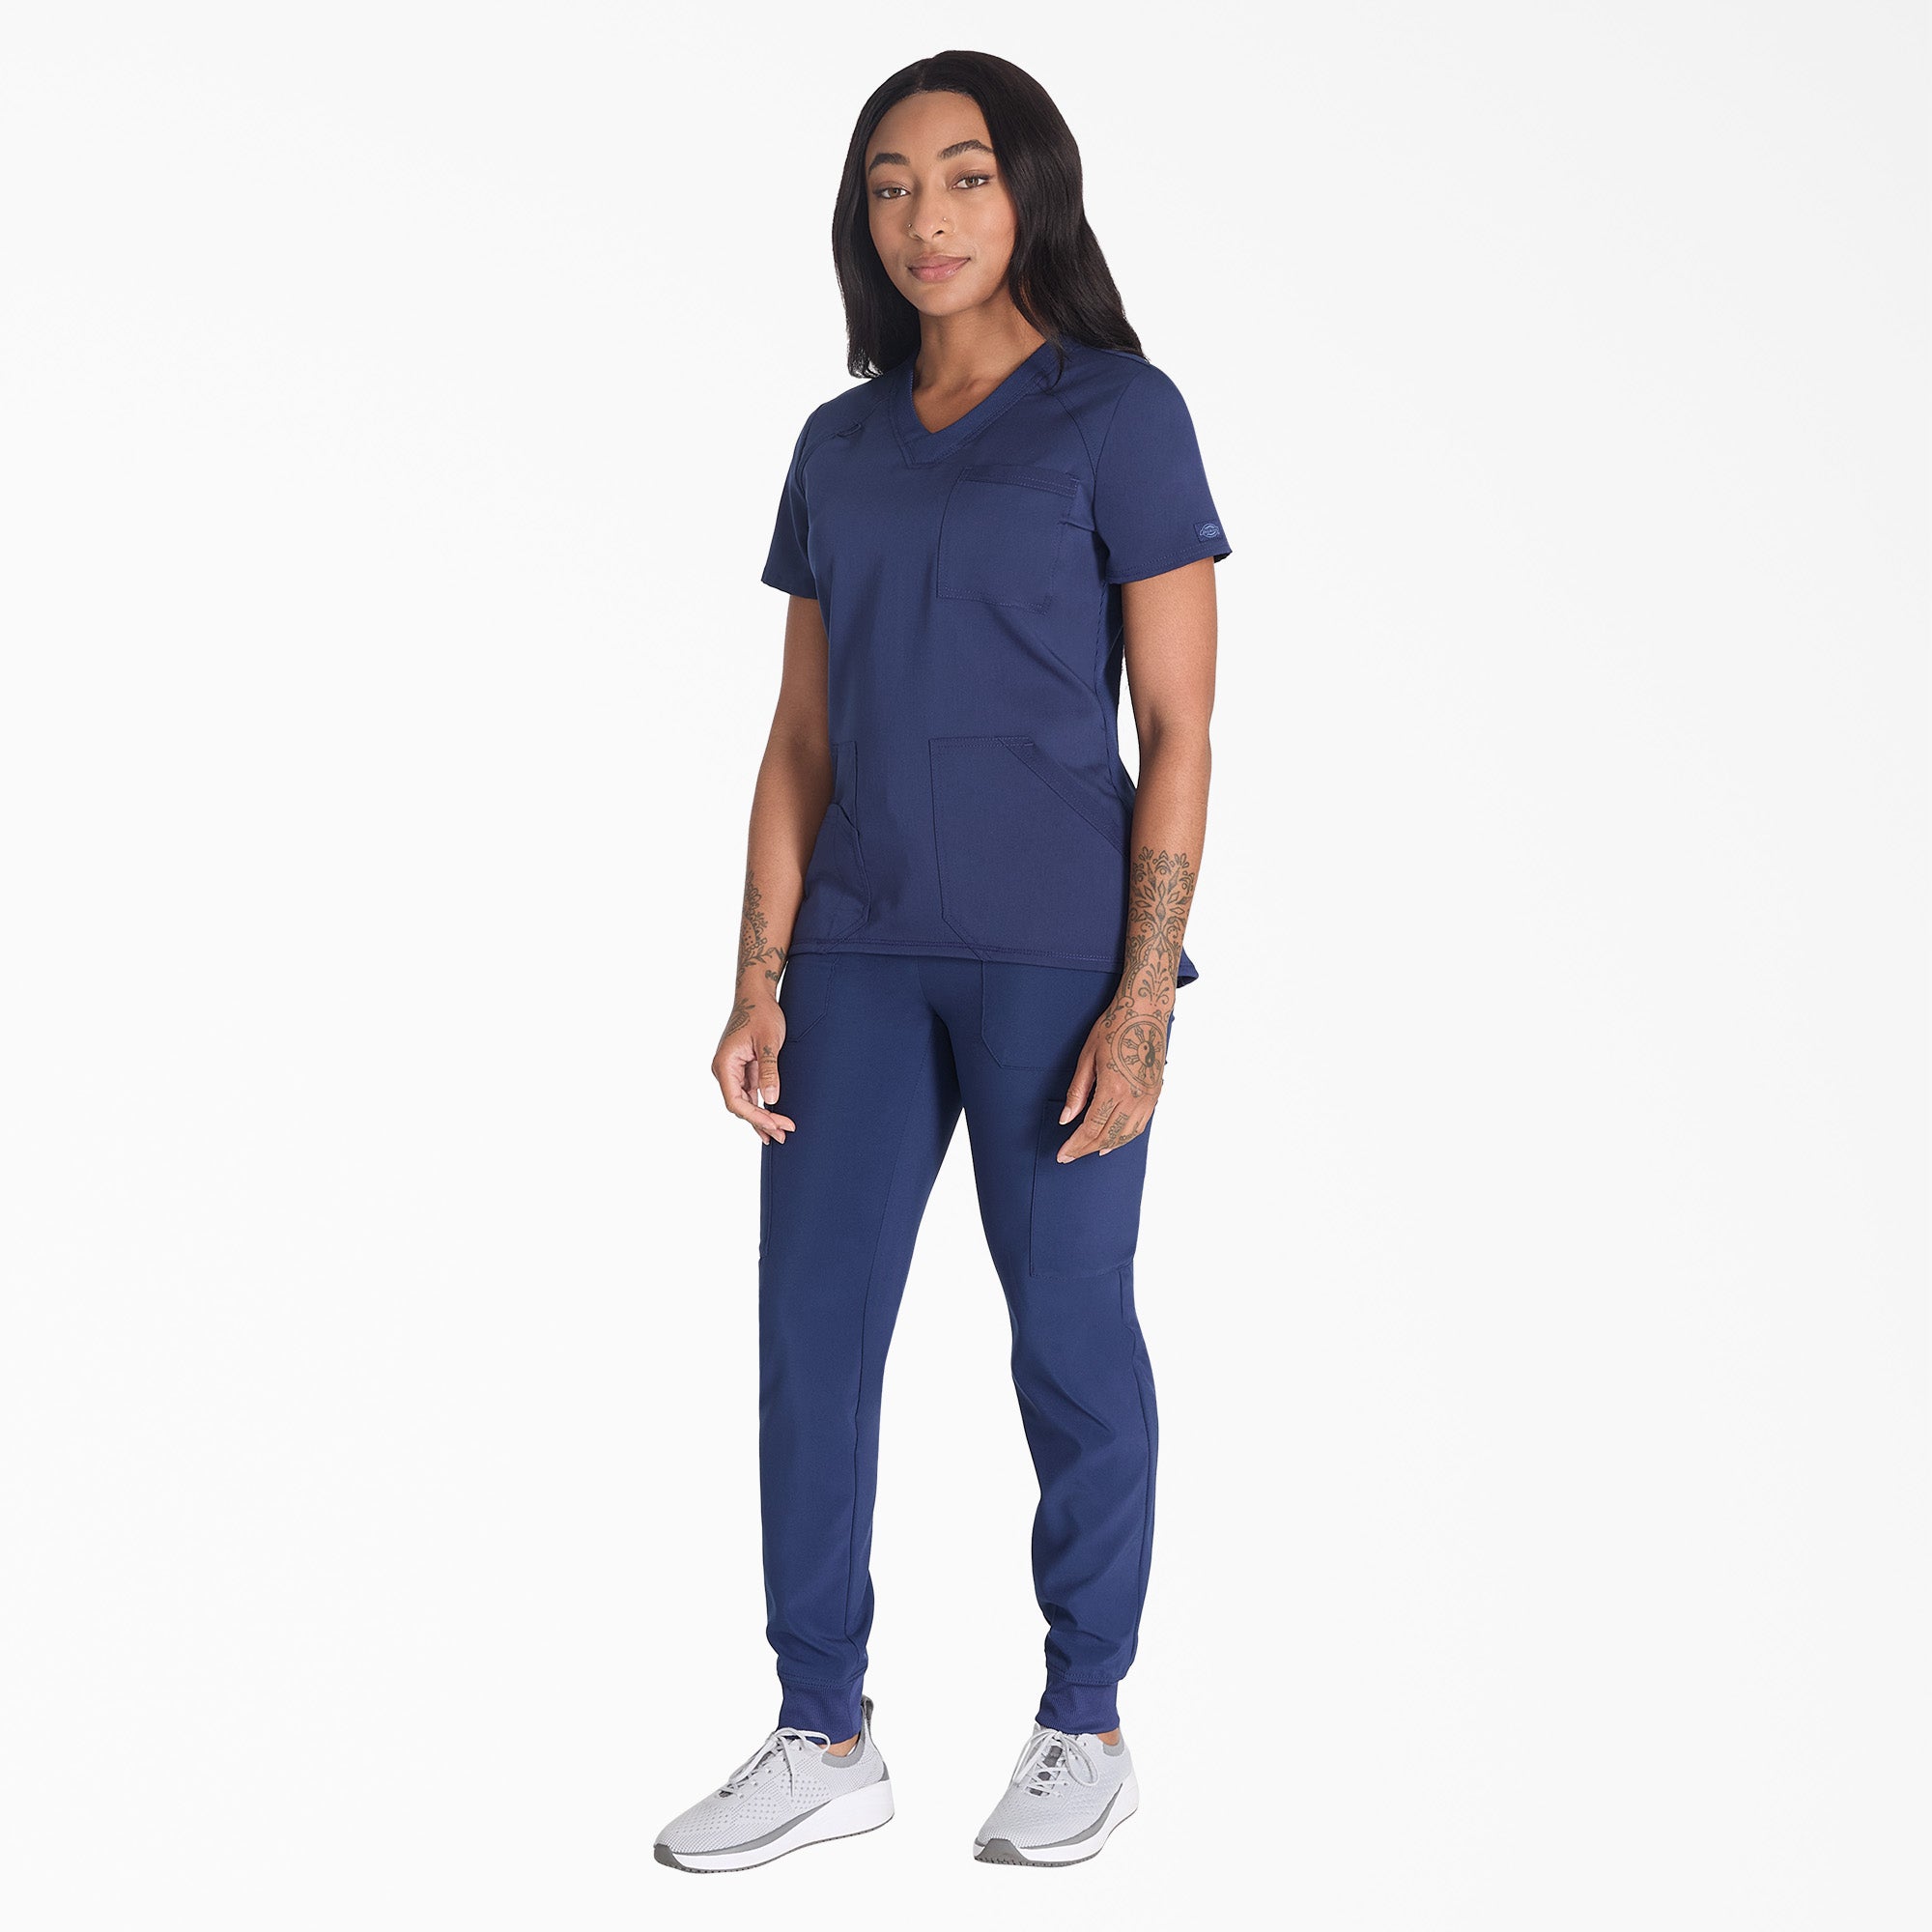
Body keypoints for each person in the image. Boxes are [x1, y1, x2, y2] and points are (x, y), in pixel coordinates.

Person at [654, 49, 1230, 1874]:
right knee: (810, 1339)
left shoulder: (1119, 414)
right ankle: (822, 1726)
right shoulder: (836, 446)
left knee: (1070, 1334)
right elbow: (799, 739)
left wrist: (1143, 1001)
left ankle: (1086, 1719)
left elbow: (1181, 729)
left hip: (1057, 959)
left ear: (1029, 189)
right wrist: (759, 975)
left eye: (965, 176)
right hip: (857, 957)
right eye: (891, 183)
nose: (927, 216)